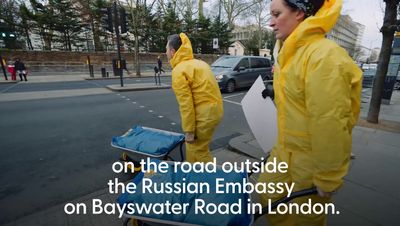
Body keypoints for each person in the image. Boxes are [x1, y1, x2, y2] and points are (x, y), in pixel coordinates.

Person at [258, 0, 362, 225]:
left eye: (277, 14)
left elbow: (331, 122)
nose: (271, 22)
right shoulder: (289, 53)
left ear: (299, 13)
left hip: (312, 157)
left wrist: (328, 177)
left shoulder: (324, 56)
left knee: (306, 217)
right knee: (266, 194)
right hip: (285, 148)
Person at [166, 33, 223, 163]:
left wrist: (189, 131)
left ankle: (211, 179)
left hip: (203, 116)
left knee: (197, 150)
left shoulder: (179, 71)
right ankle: (194, 176)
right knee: (197, 148)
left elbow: (186, 105)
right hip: (214, 112)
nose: (166, 53)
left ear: (173, 51)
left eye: (166, 50)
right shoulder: (199, 64)